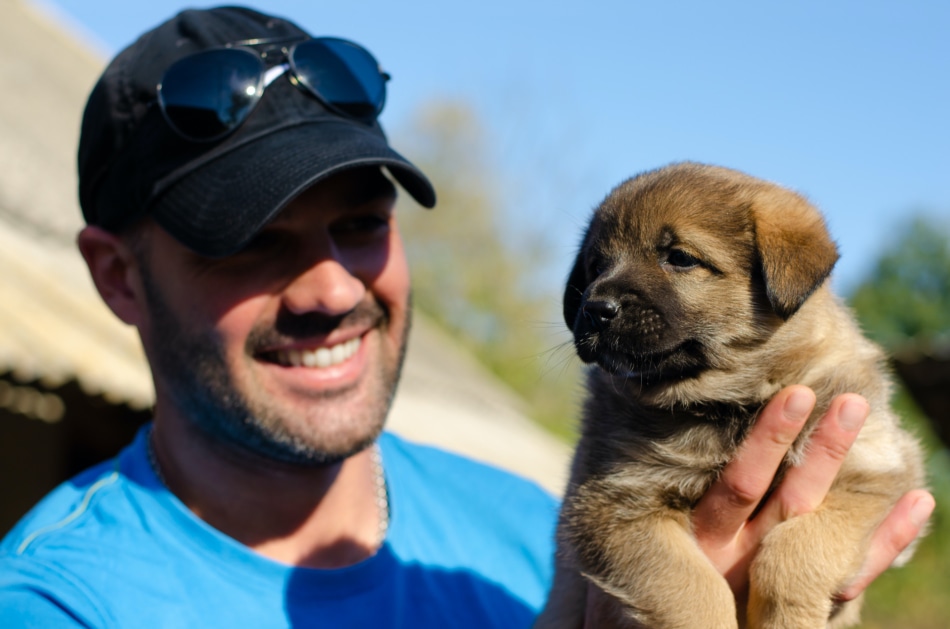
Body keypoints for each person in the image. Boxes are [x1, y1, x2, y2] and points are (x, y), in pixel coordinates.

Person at [0, 6, 933, 628]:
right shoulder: (62, 599)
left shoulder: (520, 524)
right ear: (117, 277)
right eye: (250, 242)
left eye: (361, 225)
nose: (329, 290)